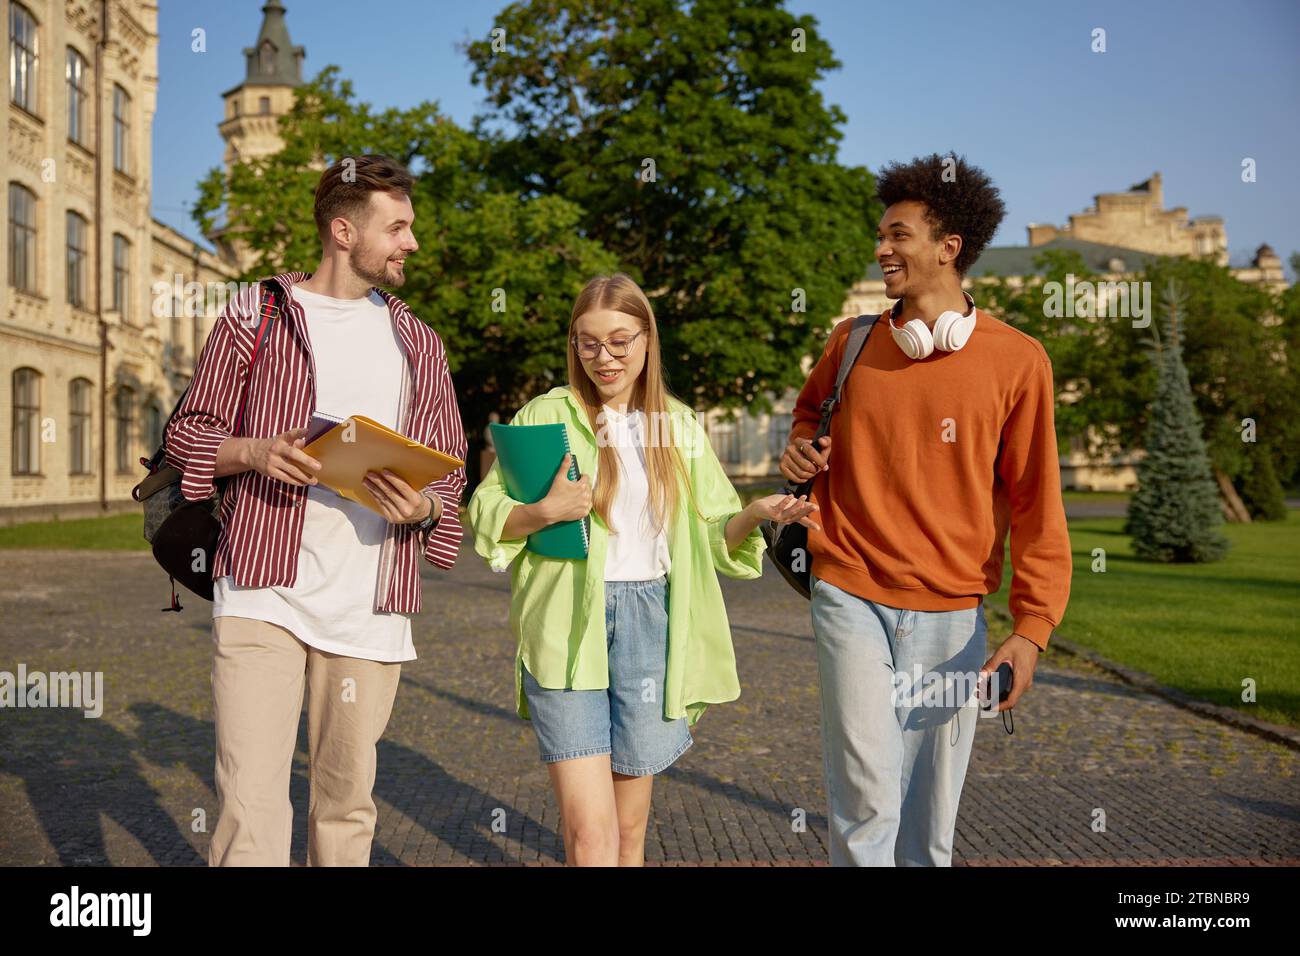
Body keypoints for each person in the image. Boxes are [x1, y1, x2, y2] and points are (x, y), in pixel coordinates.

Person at [164, 154, 468, 866]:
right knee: (248, 801)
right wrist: (254, 452)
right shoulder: (256, 313)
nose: (411, 244)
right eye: (397, 228)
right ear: (342, 231)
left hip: (370, 604)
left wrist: (421, 507)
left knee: (345, 805)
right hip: (261, 588)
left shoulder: (419, 343)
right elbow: (187, 434)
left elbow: (448, 475)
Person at [468, 272, 817, 866]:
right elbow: (487, 508)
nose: (604, 358)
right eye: (588, 342)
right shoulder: (544, 415)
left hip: (651, 626)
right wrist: (543, 511)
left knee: (629, 834)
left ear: (648, 339)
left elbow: (712, 535)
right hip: (565, 627)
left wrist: (755, 512)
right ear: (573, 344)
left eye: (620, 341)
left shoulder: (677, 425)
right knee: (590, 835)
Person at [782, 153, 1072, 866]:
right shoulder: (851, 342)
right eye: (881, 234)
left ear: (949, 249)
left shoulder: (1018, 361)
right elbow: (809, 414)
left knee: (929, 820)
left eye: (899, 235)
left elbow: (1037, 501)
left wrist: (1031, 630)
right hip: (849, 587)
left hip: (953, 610)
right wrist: (800, 451)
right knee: (865, 796)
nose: (882, 248)